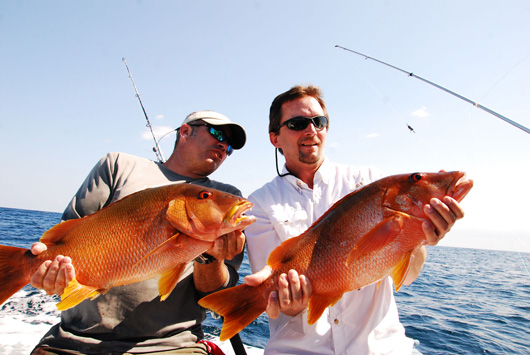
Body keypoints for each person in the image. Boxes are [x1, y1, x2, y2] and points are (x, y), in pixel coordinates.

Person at [244, 85, 466, 354]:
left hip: (381, 348)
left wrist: (420, 237)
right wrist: (290, 303)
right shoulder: (259, 203)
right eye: (297, 123)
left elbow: (407, 276)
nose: (311, 130)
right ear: (274, 138)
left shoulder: (368, 180)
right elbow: (276, 277)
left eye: (319, 122)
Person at [29, 110, 248, 355]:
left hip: (173, 346)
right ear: (185, 132)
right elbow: (66, 238)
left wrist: (210, 258)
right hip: (73, 340)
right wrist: (48, 274)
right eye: (218, 133)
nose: (223, 144)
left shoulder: (228, 198)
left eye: (229, 145)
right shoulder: (119, 166)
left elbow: (216, 298)